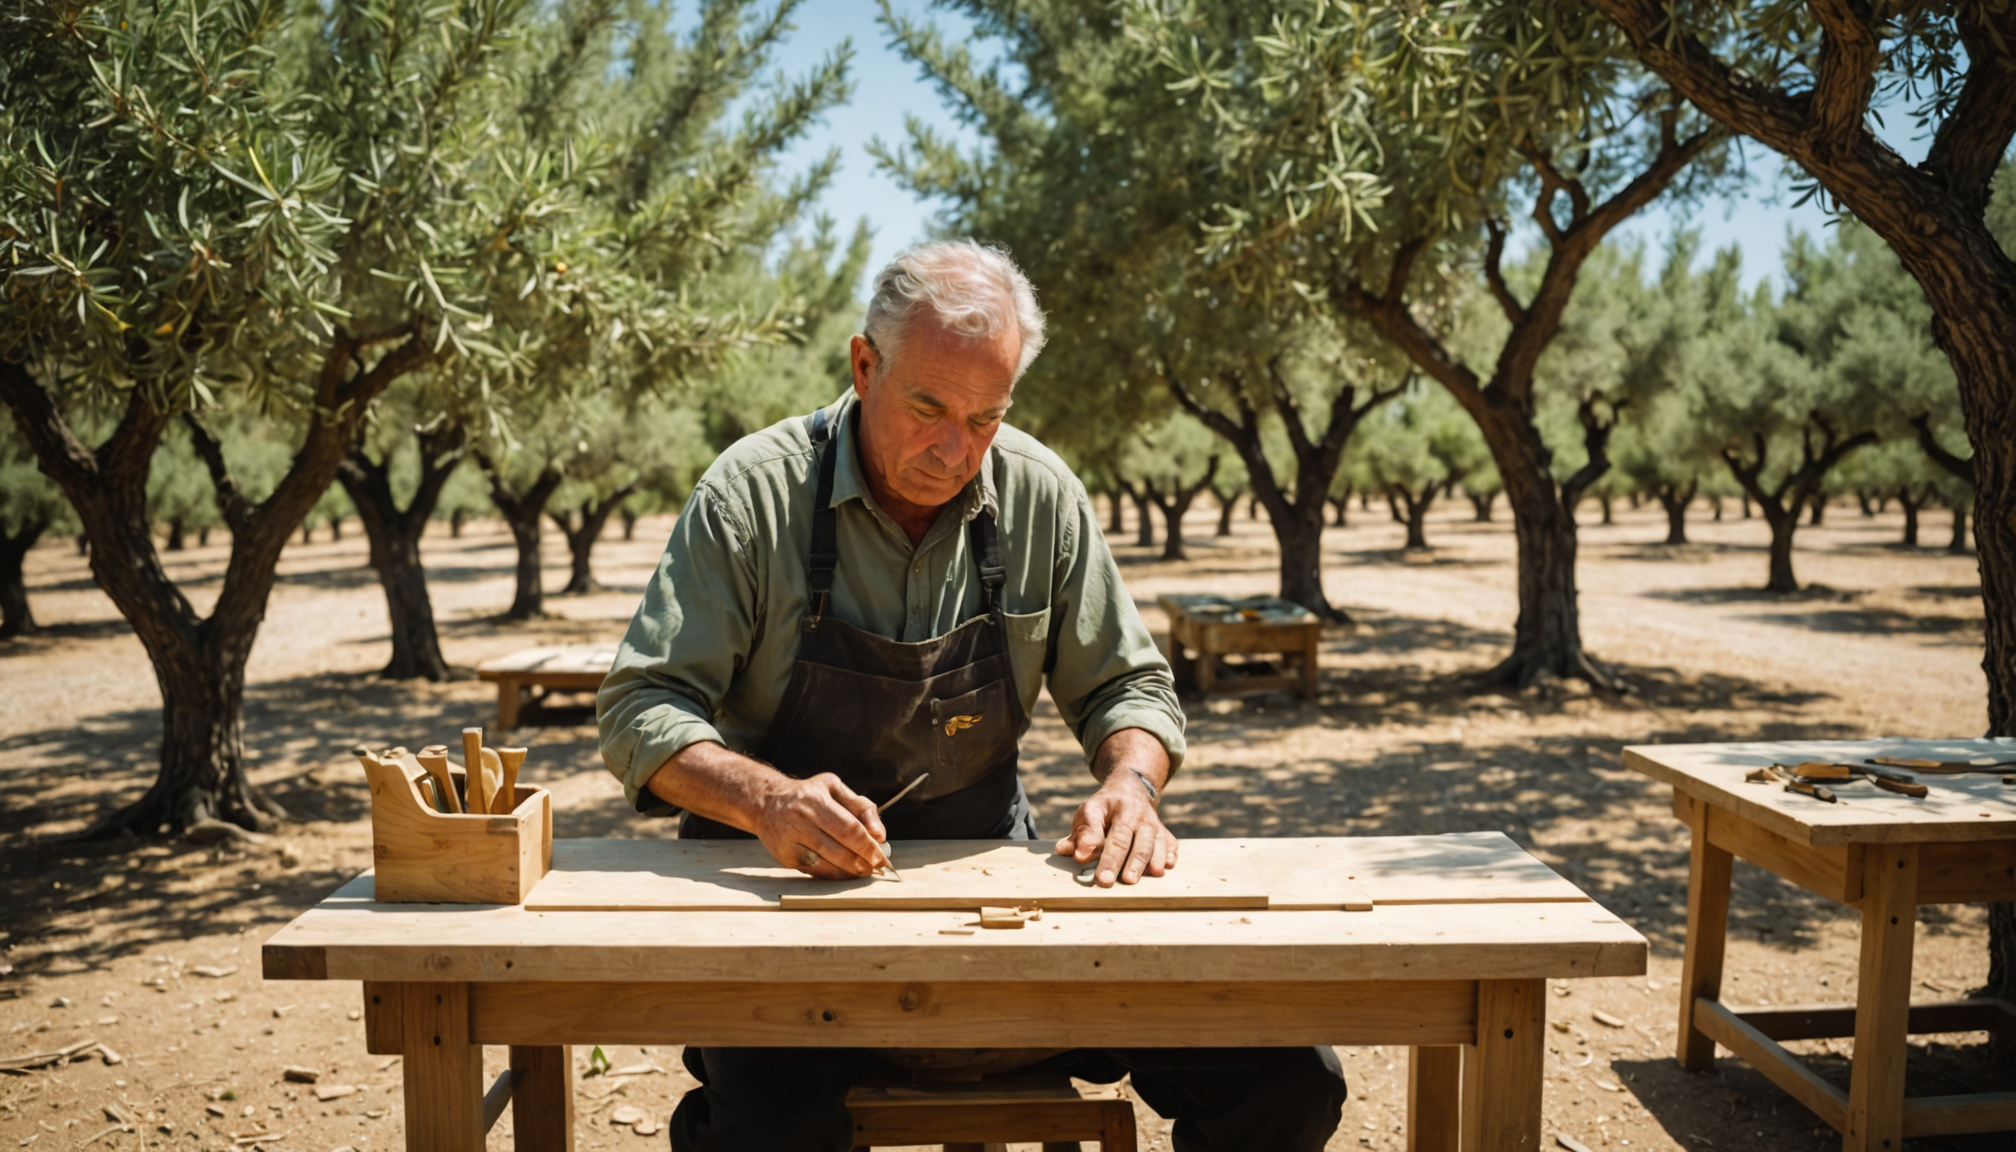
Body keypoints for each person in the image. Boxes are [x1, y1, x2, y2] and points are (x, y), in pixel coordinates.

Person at [598, 239, 1345, 1151]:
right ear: (864, 365)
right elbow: (642, 707)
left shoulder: (1039, 495)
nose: (956, 451)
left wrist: (1131, 788)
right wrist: (767, 800)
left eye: (986, 418)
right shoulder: (752, 497)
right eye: (928, 410)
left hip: (996, 907)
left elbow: (1131, 685)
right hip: (781, 917)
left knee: (1288, 1080)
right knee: (769, 1133)